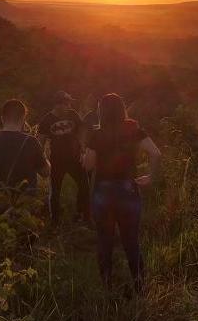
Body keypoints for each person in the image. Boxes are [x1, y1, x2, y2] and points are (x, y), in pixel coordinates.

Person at [83, 93, 162, 293]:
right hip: (128, 189)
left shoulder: (96, 134)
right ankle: (139, 287)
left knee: (104, 240)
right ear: (122, 109)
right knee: (131, 241)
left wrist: (85, 159)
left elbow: (89, 164)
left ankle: (107, 287)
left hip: (103, 192)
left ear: (101, 111)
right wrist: (150, 177)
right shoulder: (133, 130)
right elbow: (155, 153)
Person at [0, 99, 49, 206]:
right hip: (25, 204)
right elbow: (46, 172)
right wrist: (43, 153)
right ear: (23, 119)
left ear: (2, 119)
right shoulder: (31, 142)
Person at [38, 91, 90, 224]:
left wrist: (83, 148)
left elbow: (82, 129)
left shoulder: (72, 114)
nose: (69, 105)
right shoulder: (46, 120)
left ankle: (81, 214)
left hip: (75, 158)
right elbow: (40, 142)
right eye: (67, 103)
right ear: (58, 104)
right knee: (55, 191)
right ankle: (55, 221)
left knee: (84, 186)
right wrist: (43, 160)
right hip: (57, 160)